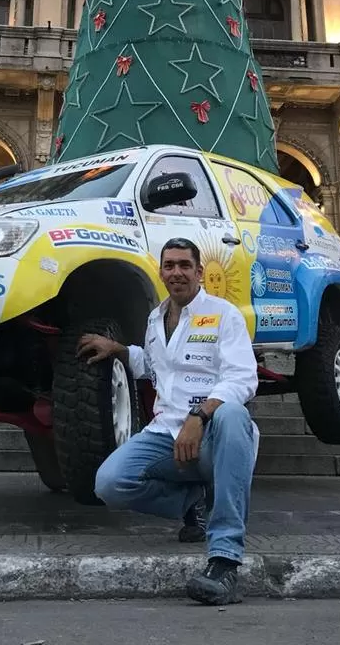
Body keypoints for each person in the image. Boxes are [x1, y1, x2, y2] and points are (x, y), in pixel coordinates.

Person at [77, 237, 259, 605]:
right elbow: (156, 367)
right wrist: (119, 351)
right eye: (170, 265)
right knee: (110, 483)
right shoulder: (155, 318)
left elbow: (243, 378)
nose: (177, 272)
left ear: (199, 272)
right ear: (161, 272)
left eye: (185, 265)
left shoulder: (225, 314)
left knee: (235, 414)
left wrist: (200, 414)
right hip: (165, 434)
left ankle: (224, 562)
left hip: (215, 435)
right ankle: (191, 501)